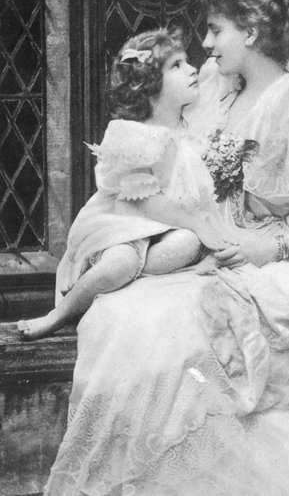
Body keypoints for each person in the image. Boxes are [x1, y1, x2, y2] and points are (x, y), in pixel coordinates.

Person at [43, 0, 289, 496]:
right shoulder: (213, 86)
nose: (206, 45)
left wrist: (267, 247)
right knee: (124, 316)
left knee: (170, 327)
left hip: (283, 259)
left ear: (251, 32)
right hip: (210, 245)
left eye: (216, 30)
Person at [17, 29, 240, 340]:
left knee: (188, 243)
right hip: (126, 223)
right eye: (176, 65)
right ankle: (63, 310)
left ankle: (112, 282)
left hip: (169, 227)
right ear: (146, 85)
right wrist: (199, 224)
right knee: (122, 260)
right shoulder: (133, 134)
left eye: (188, 62)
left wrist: (284, 57)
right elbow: (146, 203)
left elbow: (220, 75)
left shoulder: (193, 123)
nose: (191, 70)